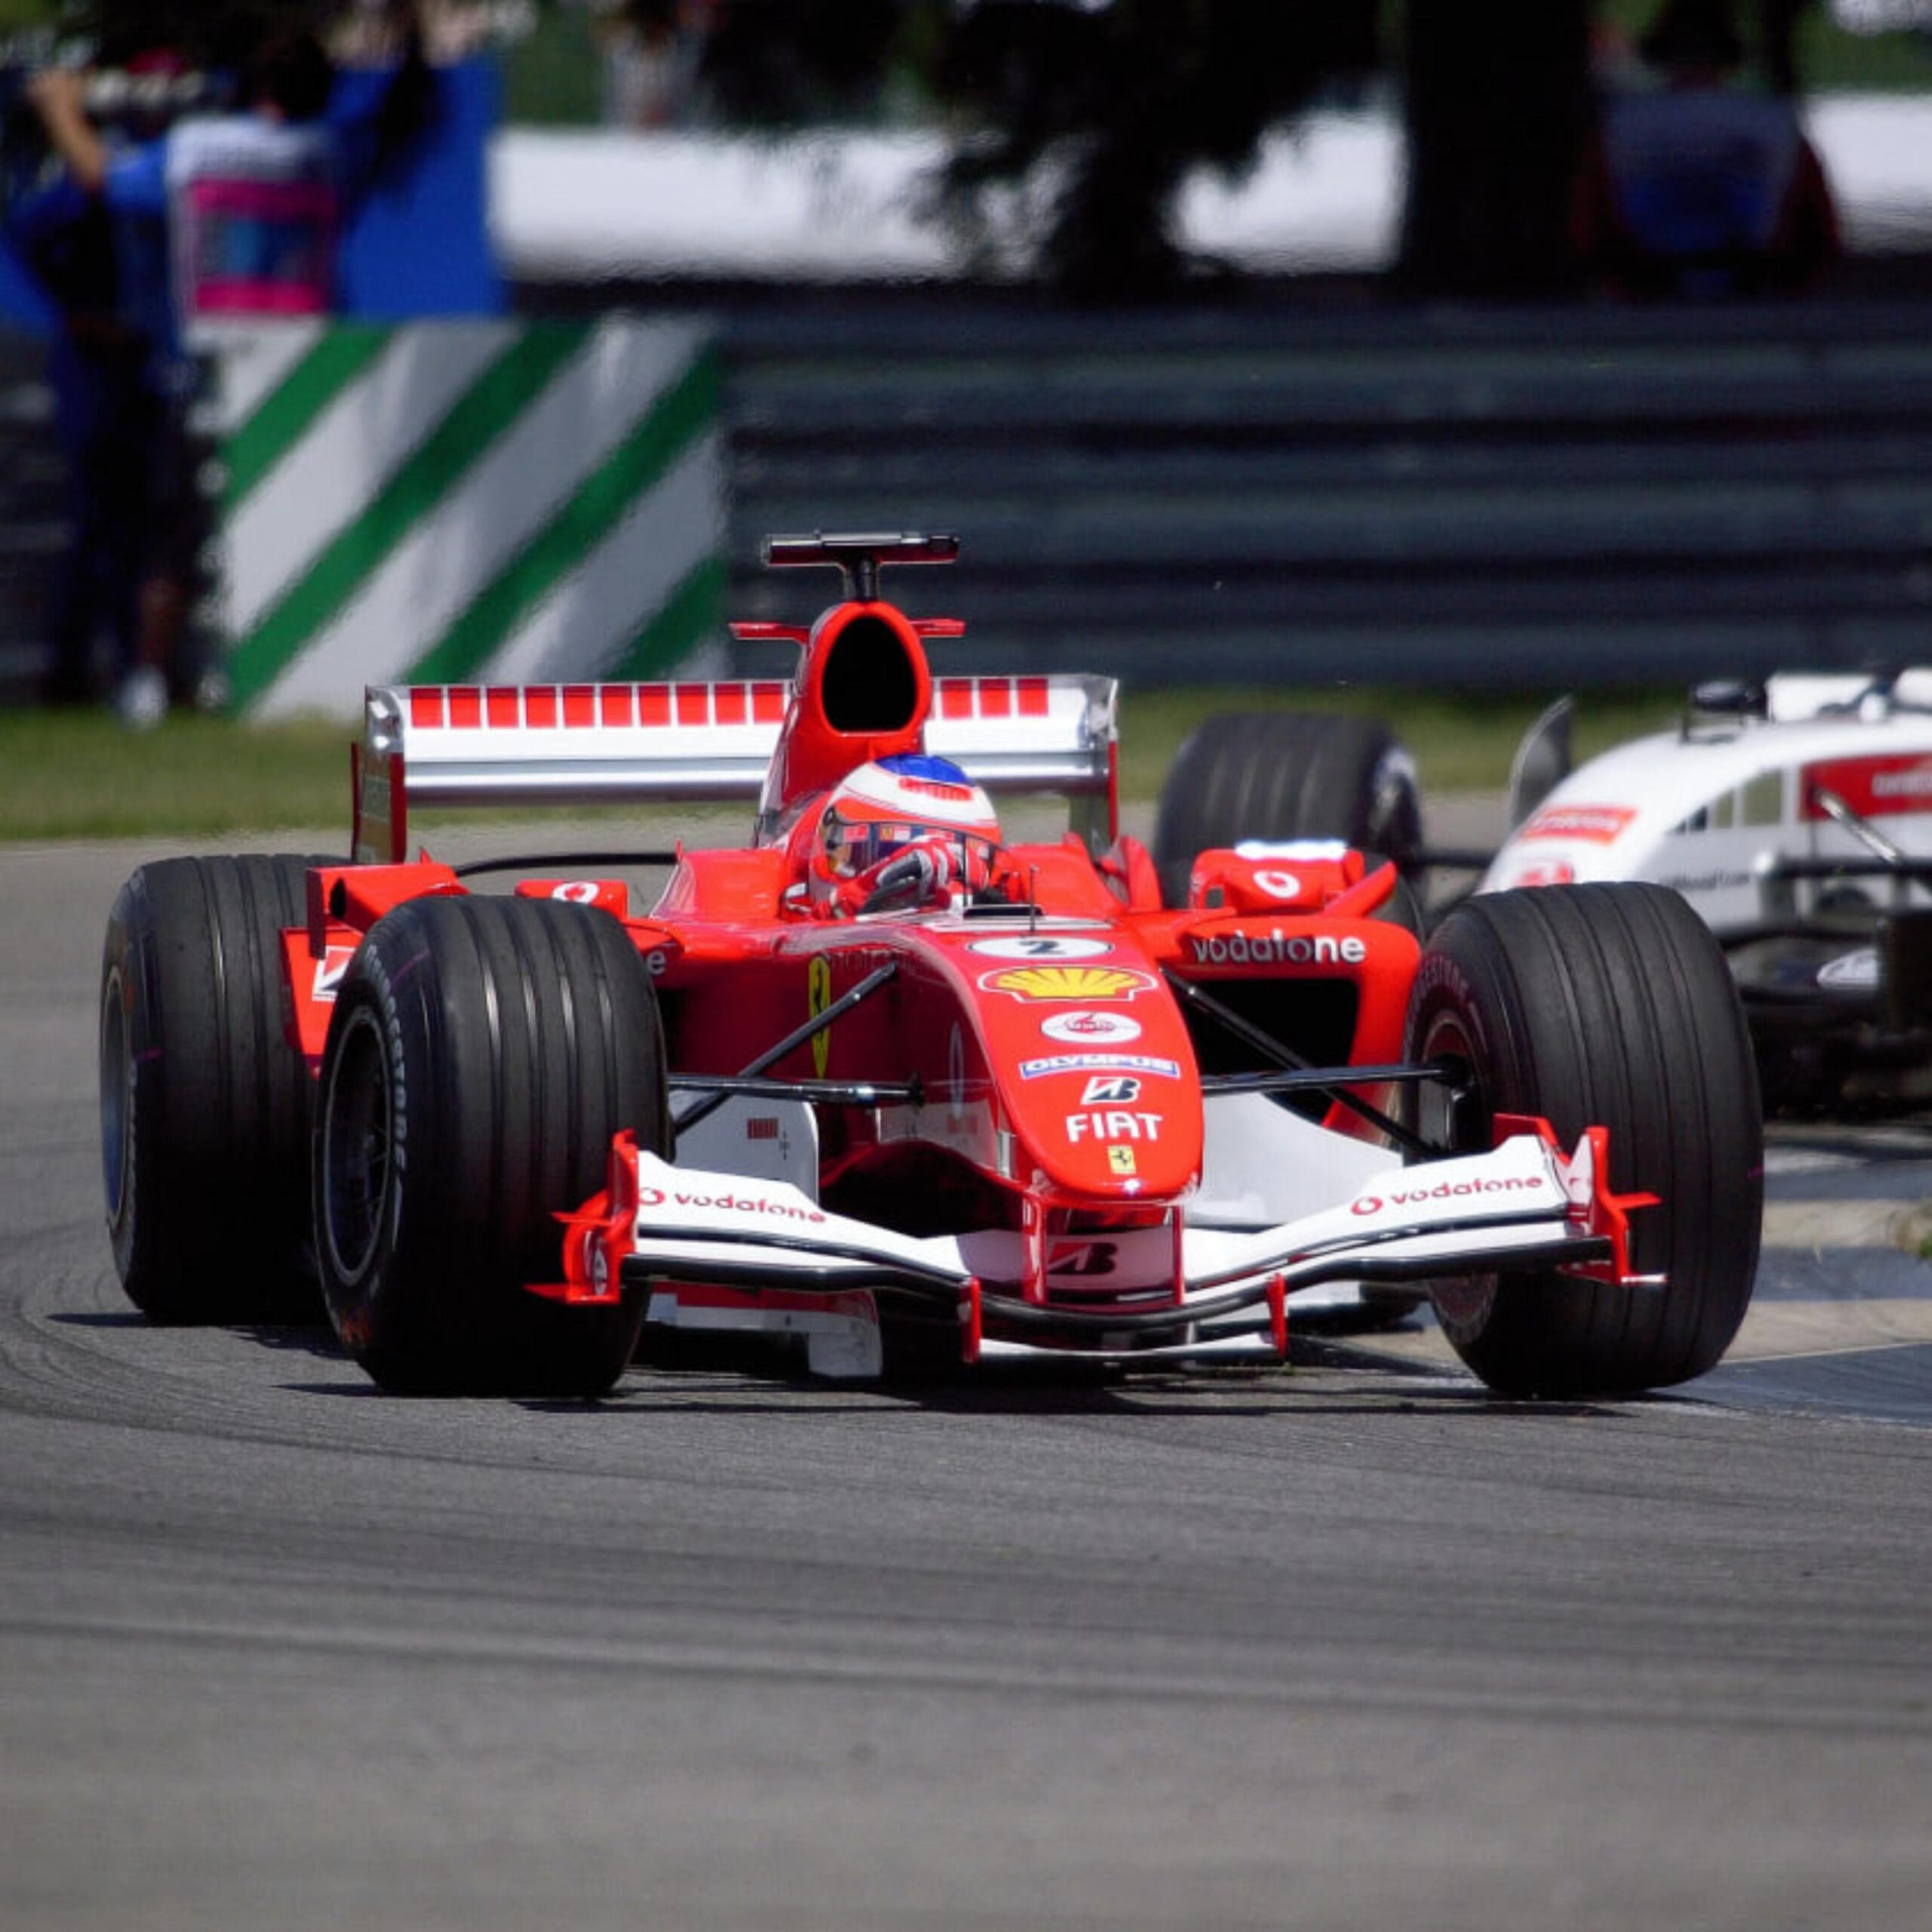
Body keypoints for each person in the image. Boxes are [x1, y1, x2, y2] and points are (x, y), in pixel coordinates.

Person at [1574, 0, 1838, 299]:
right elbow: (1821, 230)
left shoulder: (1619, 125)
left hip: (1647, 292)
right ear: (1731, 56)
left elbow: (1586, 228)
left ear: (1660, 53)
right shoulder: (1776, 123)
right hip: (1755, 290)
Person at [803, 754, 1004, 917]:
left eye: (954, 871)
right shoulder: (789, 903)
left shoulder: (1008, 878)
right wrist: (858, 895)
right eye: (886, 851)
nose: (924, 893)